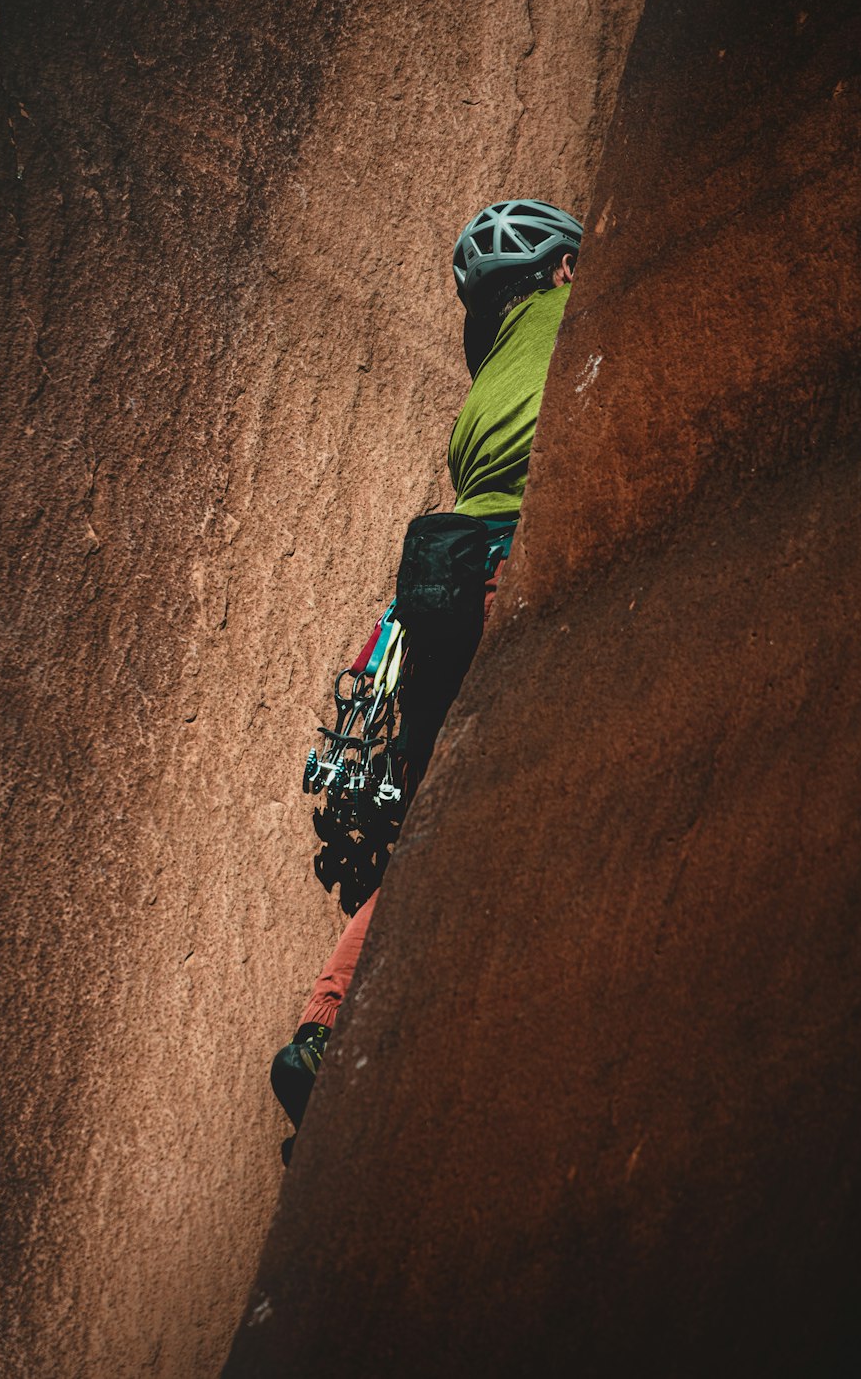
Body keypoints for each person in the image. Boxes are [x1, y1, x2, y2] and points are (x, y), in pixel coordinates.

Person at [271, 200, 583, 1147]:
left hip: (436, 601)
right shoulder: (578, 319)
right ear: (563, 272)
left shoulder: (481, 394)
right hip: (511, 575)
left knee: (432, 818)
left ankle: (322, 1029)